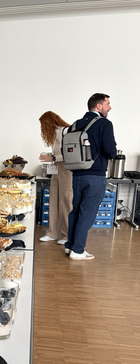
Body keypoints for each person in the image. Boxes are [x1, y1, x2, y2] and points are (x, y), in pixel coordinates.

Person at [65, 93, 117, 260]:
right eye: (107, 104)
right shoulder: (104, 123)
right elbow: (110, 150)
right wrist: (113, 151)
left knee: (75, 211)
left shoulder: (74, 125)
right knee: (87, 213)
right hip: (95, 176)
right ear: (99, 106)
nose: (110, 107)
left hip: (77, 175)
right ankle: (78, 250)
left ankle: (70, 245)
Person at [39, 111, 73, 245]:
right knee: (53, 200)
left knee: (65, 201)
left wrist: (53, 158)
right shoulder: (55, 135)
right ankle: (52, 233)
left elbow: (71, 154)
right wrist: (51, 156)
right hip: (56, 168)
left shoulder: (66, 132)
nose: (42, 128)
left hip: (66, 169)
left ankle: (67, 235)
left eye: (43, 125)